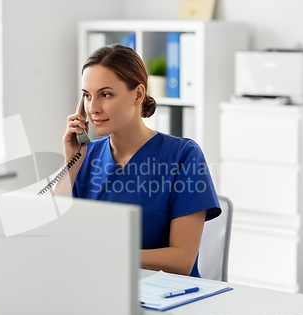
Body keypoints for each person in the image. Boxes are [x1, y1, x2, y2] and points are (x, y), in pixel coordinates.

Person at [56, 44, 221, 277]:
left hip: (167, 299)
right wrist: (70, 163)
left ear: (138, 94)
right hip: (100, 289)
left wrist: (109, 253)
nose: (93, 108)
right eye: (86, 96)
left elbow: (183, 260)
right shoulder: (84, 157)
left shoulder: (183, 156)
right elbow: (53, 236)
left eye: (105, 94)